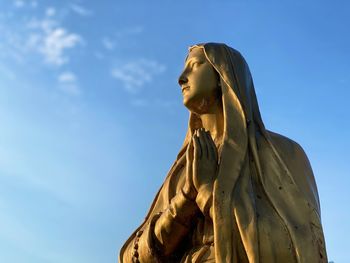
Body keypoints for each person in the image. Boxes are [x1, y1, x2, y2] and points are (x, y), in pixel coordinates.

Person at [119, 43, 328, 263]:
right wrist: (186, 197)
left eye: (195, 65)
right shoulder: (184, 168)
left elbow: (306, 245)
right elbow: (130, 257)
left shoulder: (284, 154)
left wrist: (208, 192)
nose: (182, 78)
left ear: (223, 75)